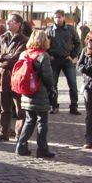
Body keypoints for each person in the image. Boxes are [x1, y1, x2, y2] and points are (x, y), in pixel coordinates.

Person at [0, 13, 29, 142]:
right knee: (4, 108)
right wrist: (3, 57)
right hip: (3, 77)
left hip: (17, 77)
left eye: (11, 21)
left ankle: (20, 134)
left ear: (18, 24)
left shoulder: (23, 40)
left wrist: (2, 59)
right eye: (8, 20)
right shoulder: (3, 38)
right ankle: (3, 132)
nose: (8, 22)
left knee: (19, 109)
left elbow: (16, 58)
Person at [15, 30, 56, 159]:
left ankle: (21, 146)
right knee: (42, 121)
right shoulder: (43, 56)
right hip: (40, 92)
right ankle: (42, 149)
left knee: (29, 120)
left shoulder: (24, 53)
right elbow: (48, 77)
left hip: (26, 92)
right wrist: (52, 89)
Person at [45, 9, 82, 115]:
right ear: (53, 18)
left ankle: (74, 106)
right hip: (54, 60)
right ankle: (54, 105)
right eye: (56, 17)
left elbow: (78, 43)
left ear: (63, 17)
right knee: (53, 84)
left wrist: (73, 55)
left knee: (73, 84)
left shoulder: (70, 29)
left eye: (60, 17)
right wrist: (48, 55)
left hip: (67, 60)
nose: (58, 19)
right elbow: (44, 45)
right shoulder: (49, 30)